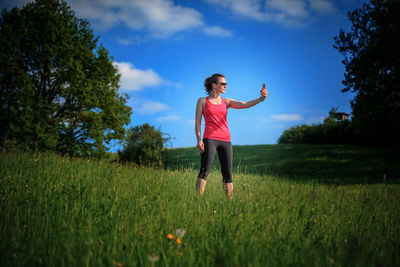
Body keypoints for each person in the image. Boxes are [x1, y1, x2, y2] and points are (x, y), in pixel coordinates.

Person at [195, 73, 268, 197]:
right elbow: (198, 122)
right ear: (214, 85)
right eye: (222, 83)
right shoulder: (202, 101)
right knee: (204, 170)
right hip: (209, 139)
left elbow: (245, 105)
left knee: (228, 174)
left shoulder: (227, 102)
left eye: (226, 84)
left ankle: (230, 201)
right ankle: (198, 200)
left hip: (226, 140)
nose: (225, 86)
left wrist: (261, 99)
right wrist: (199, 140)